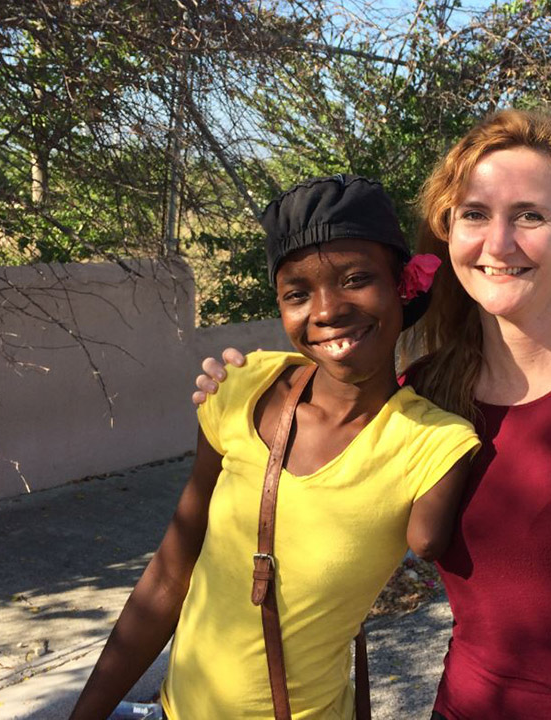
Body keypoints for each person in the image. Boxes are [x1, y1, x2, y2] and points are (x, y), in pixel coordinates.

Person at [196, 110, 551, 719]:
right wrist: (249, 389)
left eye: (530, 215)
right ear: (448, 232)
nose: (498, 244)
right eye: (475, 215)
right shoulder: (423, 397)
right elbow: (312, 498)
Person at [71, 174, 480, 720]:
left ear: (403, 286)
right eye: (297, 293)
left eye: (356, 278)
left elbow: (442, 547)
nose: (326, 309)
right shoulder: (242, 389)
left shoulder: (434, 443)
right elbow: (170, 572)